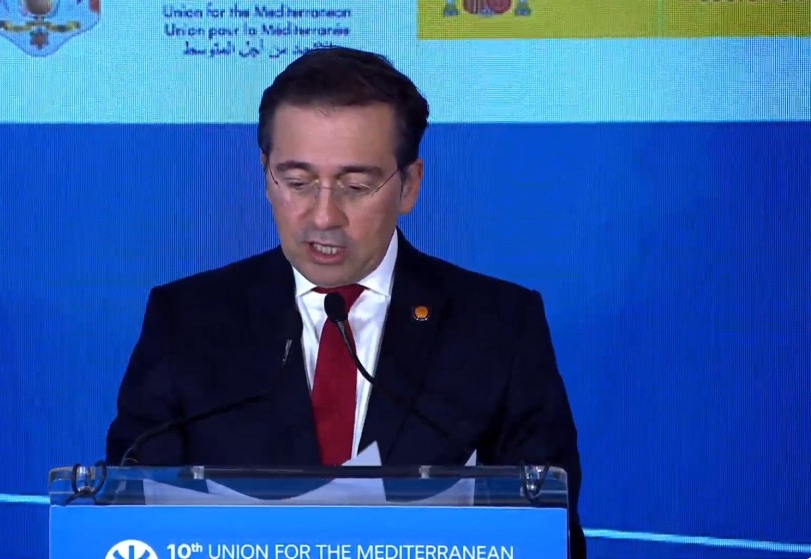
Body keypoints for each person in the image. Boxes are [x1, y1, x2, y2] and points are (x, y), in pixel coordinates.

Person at [105, 46, 585, 558]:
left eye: (356, 186)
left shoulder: (498, 328)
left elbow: (550, 534)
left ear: (409, 186)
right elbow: (127, 519)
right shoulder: (187, 321)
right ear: (265, 175)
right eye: (297, 182)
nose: (323, 216)